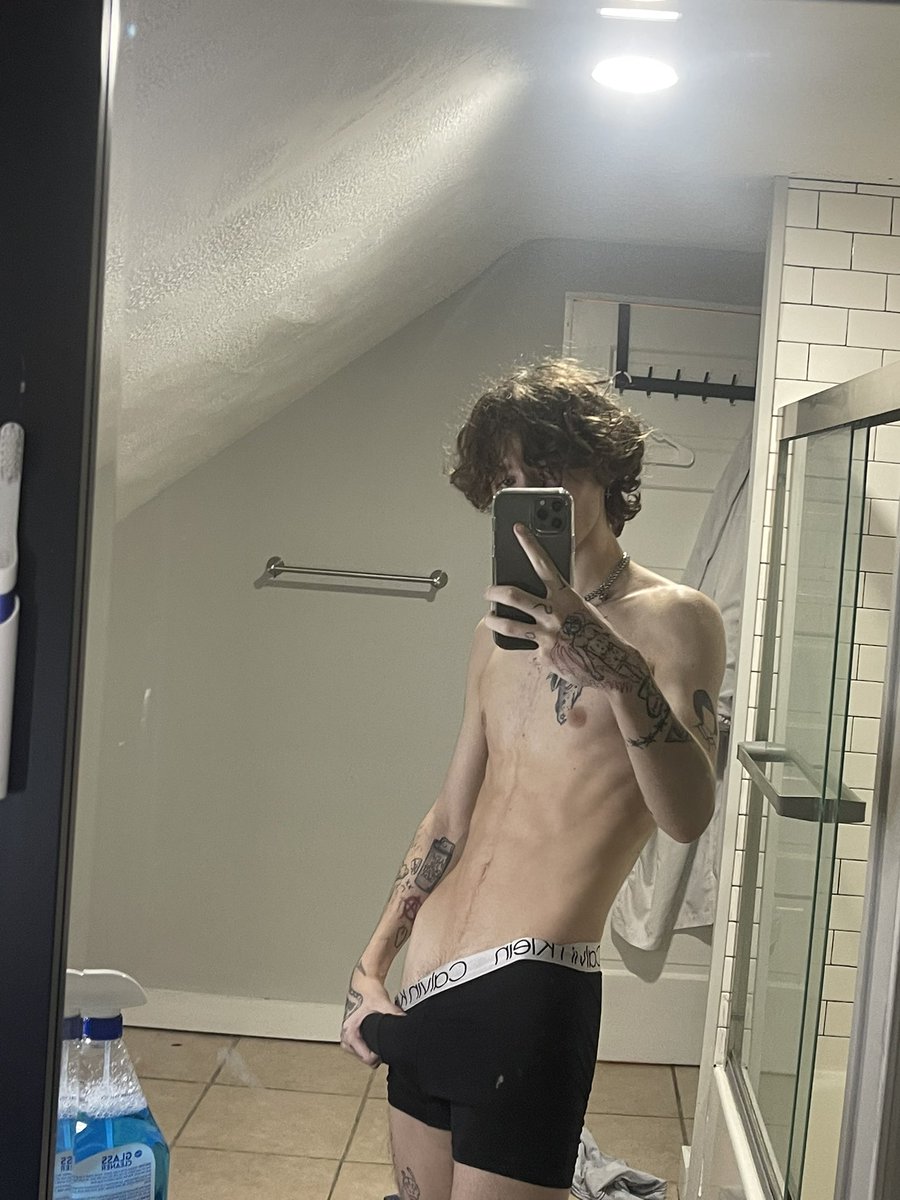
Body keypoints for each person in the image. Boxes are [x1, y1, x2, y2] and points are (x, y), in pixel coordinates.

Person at [340, 359, 725, 1200]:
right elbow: (449, 818)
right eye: (510, 479)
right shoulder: (495, 632)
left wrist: (618, 673)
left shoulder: (675, 619)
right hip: (425, 983)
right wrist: (370, 965)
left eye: (548, 470)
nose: (529, 494)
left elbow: (689, 814)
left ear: (605, 466)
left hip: (530, 988)